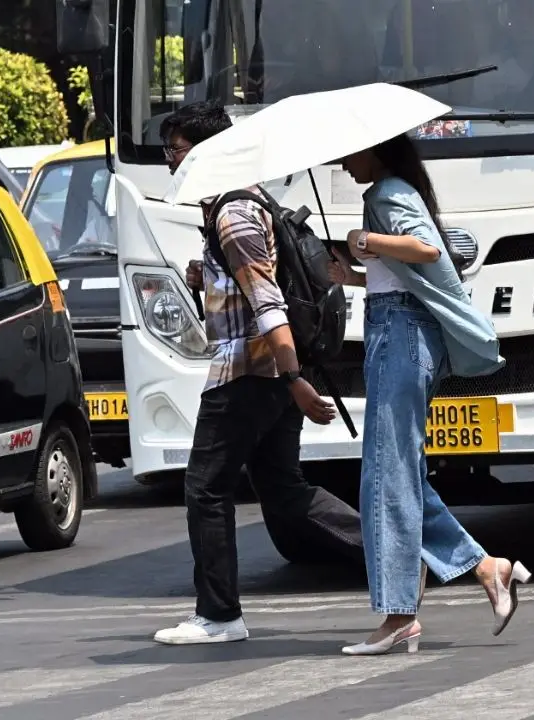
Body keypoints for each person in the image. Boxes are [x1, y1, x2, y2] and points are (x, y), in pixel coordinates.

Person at [152, 101, 366, 646]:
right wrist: (208, 279)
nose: (170, 161)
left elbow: (268, 302)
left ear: (207, 150)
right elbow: (251, 288)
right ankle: (403, 558)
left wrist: (295, 380)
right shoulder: (243, 202)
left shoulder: (234, 213)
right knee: (284, 491)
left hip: (248, 371)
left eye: (176, 150)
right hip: (266, 369)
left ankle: (219, 615)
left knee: (205, 489)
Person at [328, 132, 530, 655]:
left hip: (398, 336)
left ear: (375, 148)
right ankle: (487, 569)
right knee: (399, 474)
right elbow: (404, 277)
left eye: (350, 151)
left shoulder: (388, 191)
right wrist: (353, 275)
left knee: (387, 475)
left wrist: (365, 240)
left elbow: (426, 249)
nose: (344, 162)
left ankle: (399, 614)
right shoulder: (394, 189)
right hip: (398, 328)